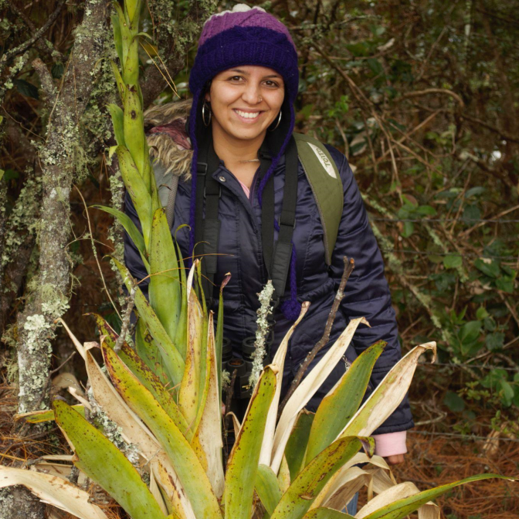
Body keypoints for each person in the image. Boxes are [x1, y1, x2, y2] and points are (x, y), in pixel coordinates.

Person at [124, 4, 412, 511]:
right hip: (199, 427)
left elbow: (367, 298)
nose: (253, 97)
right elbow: (142, 305)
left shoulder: (322, 173)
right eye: (235, 77)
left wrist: (389, 423)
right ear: (207, 87)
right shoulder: (161, 179)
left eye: (271, 82)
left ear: (286, 94)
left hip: (315, 417)